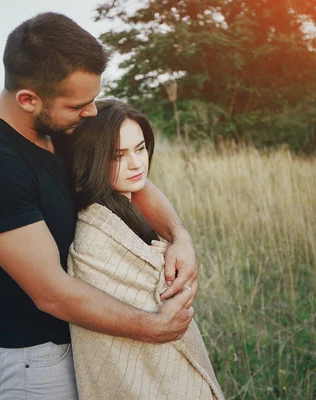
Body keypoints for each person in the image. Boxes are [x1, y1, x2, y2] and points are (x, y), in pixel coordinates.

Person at [0, 12, 198, 400]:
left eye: (94, 98)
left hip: (83, 338)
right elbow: (51, 292)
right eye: (80, 103)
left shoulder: (58, 126)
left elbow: (136, 182)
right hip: (32, 359)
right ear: (28, 100)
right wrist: (153, 327)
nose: (92, 112)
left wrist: (179, 236)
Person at [67, 99, 224, 400]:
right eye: (118, 155)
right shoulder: (96, 233)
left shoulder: (130, 207)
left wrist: (180, 240)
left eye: (140, 149)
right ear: (93, 159)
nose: (136, 163)